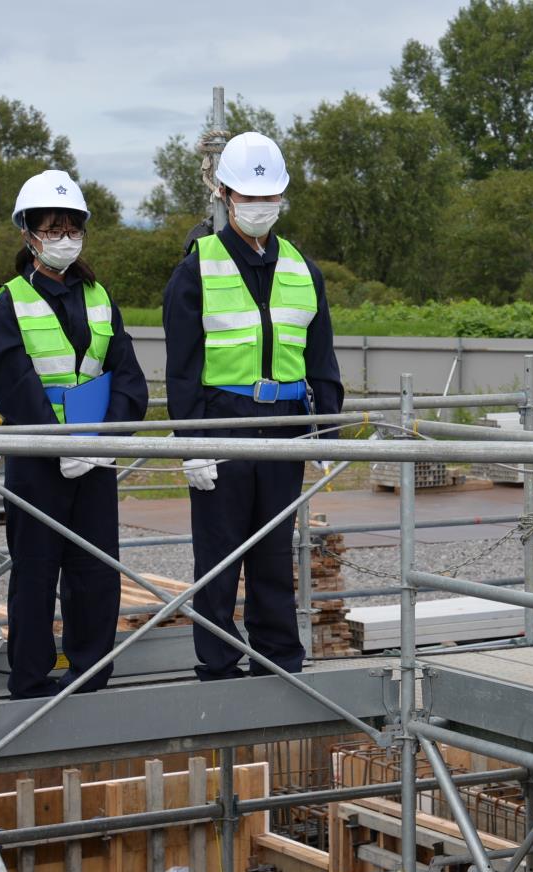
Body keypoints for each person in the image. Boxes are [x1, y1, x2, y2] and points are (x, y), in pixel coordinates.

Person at [163, 132, 343, 681]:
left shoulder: (301, 268)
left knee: (272, 554)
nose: (261, 207)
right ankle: (217, 661)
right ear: (224, 194)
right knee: (219, 555)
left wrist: (327, 433)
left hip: (284, 427)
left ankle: (279, 659)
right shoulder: (197, 268)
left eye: (270, 198)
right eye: (249, 196)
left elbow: (321, 355)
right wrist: (192, 445)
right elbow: (183, 366)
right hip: (224, 422)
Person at [0, 170, 147, 699]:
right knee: (35, 571)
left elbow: (129, 377)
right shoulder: (9, 301)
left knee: (95, 571)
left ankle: (91, 671)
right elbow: (13, 384)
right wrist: (58, 444)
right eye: (52, 229)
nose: (64, 238)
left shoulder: (99, 296)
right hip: (37, 458)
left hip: (93, 458)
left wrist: (101, 439)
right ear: (28, 234)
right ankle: (29, 679)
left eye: (71, 228)